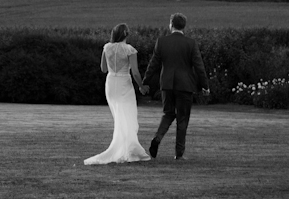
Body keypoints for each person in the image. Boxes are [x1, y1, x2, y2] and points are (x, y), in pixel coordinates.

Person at [140, 12, 210, 160]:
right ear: (184, 26)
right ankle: (179, 154)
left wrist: (145, 81)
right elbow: (199, 66)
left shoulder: (162, 41)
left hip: (167, 84)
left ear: (171, 24)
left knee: (168, 114)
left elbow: (153, 64)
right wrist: (205, 85)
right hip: (185, 85)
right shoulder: (190, 43)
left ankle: (157, 138)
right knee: (182, 119)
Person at [84, 23, 151, 165]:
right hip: (123, 84)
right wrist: (141, 86)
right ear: (126, 34)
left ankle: (126, 148)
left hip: (110, 83)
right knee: (128, 116)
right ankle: (129, 149)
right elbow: (135, 72)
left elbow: (103, 69)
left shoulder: (106, 47)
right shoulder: (129, 50)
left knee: (119, 118)